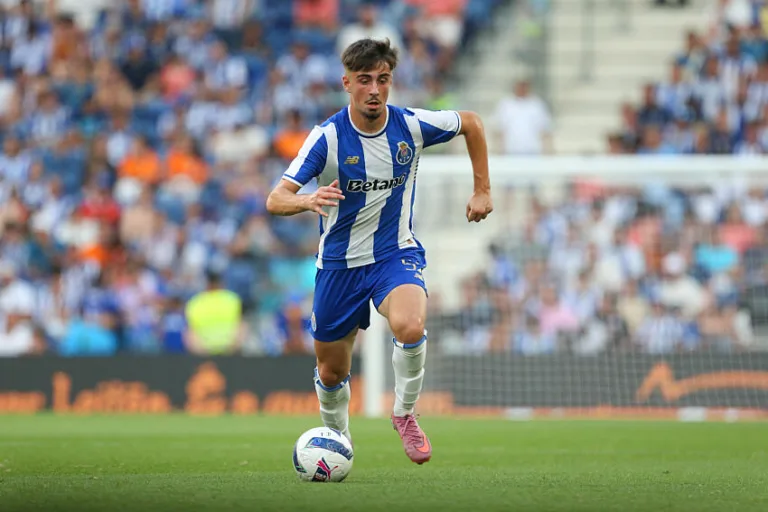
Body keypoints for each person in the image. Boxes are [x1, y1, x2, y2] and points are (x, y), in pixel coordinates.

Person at [265, 38, 493, 465]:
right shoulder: (327, 139)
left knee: (410, 325)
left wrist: (482, 189)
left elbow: (472, 123)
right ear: (347, 83)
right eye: (365, 80)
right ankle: (337, 438)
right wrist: (308, 200)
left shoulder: (411, 126)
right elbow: (276, 198)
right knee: (332, 371)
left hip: (394, 254)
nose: (374, 89)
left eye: (383, 79)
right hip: (339, 265)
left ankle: (404, 414)